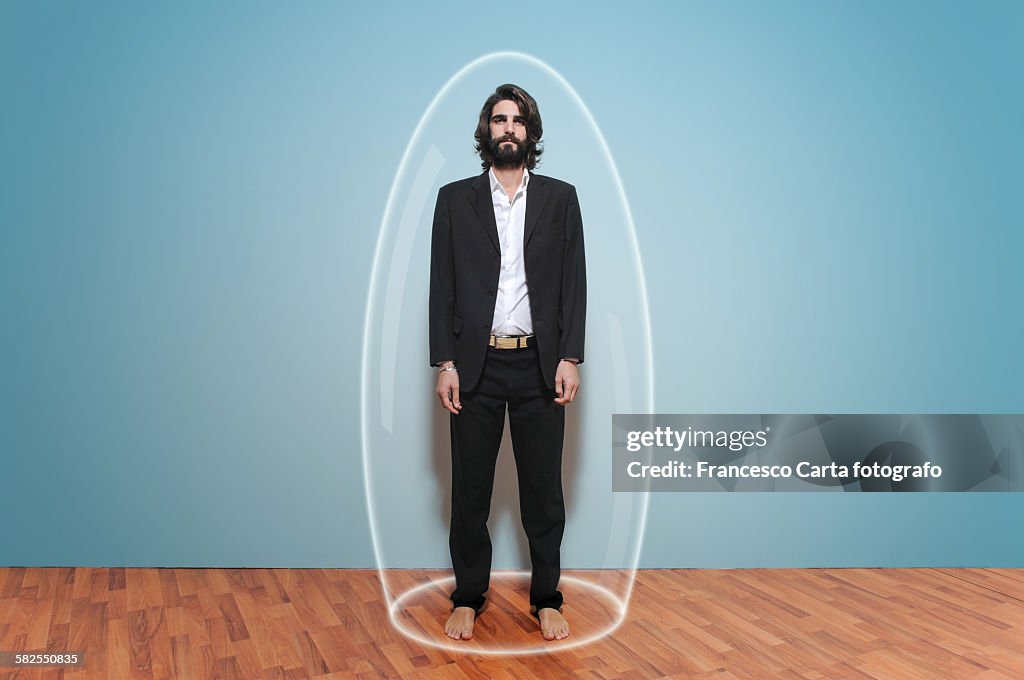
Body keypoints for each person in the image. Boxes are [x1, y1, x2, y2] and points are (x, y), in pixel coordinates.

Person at [428, 83, 586, 642]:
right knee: (470, 493)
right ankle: (468, 596)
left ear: (530, 132)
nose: (508, 129)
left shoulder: (561, 199)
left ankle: (547, 598)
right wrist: (444, 362)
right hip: (476, 368)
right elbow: (440, 287)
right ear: (486, 131)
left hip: (540, 367)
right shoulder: (453, 201)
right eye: (499, 120)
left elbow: (573, 285)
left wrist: (570, 356)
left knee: (543, 491)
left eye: (517, 120)